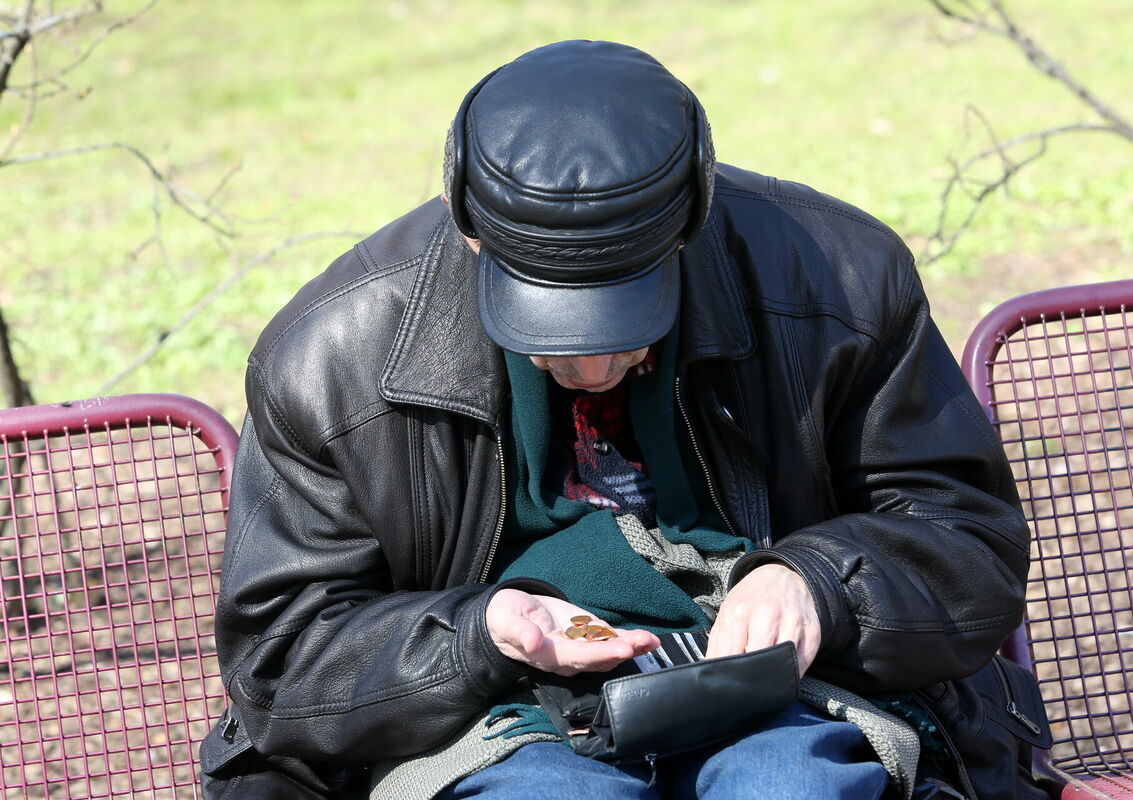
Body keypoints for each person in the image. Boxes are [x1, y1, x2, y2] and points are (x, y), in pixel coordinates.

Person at [199, 40, 1038, 800]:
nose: (594, 367)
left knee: (786, 786)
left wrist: (818, 581)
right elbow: (282, 658)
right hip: (487, 720)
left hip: (782, 693)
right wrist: (479, 636)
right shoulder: (329, 359)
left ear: (691, 220)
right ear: (470, 233)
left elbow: (966, 538)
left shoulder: (838, 278)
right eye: (548, 332)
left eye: (629, 318)